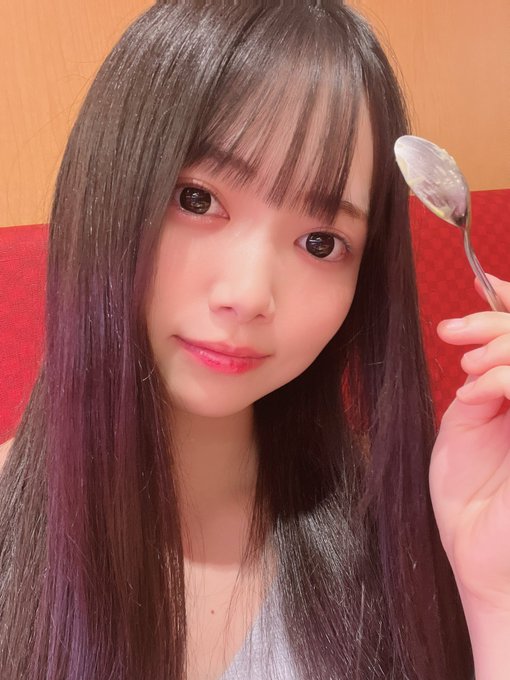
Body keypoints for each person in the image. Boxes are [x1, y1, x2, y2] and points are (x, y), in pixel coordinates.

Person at [0, 1, 509, 678]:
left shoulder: (403, 527)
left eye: (321, 242)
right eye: (197, 199)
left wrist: (495, 599)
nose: (247, 295)